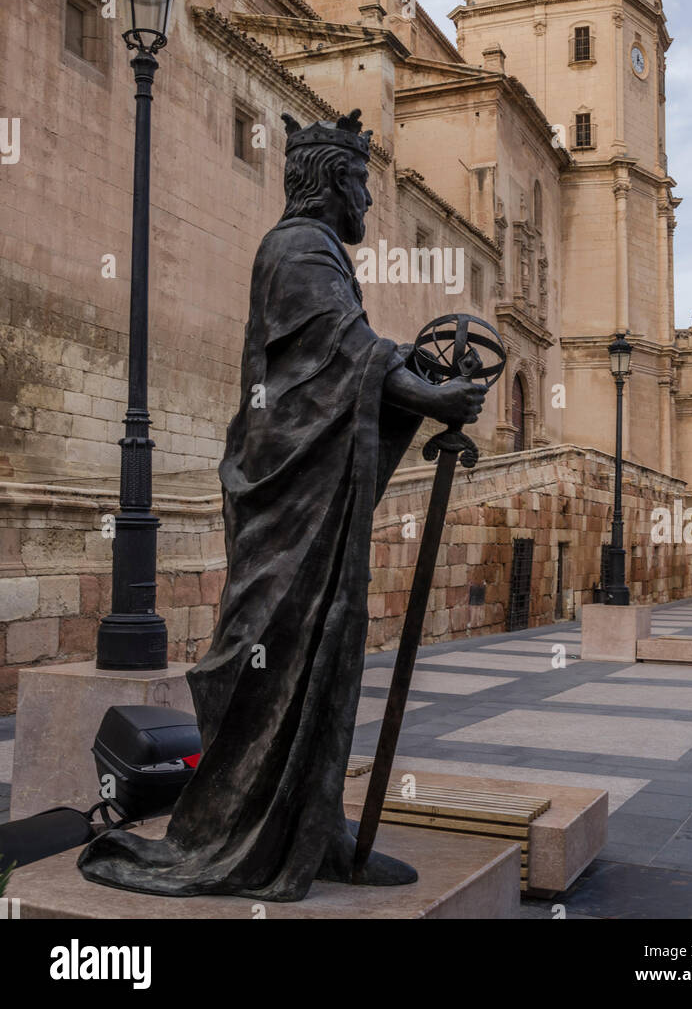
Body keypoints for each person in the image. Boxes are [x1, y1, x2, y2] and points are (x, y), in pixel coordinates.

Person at [79, 109, 486, 901]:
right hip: (283, 501)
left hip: (308, 493)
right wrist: (430, 394)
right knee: (267, 652)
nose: (370, 200)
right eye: (363, 183)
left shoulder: (321, 252)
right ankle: (235, 831)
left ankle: (307, 819)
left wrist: (416, 374)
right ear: (334, 181)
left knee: (321, 653)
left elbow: (355, 353)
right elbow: (340, 354)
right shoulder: (298, 247)